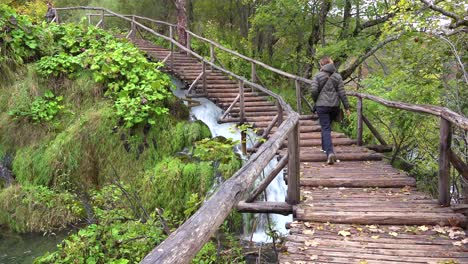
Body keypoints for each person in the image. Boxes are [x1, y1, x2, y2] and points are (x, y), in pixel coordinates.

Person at [310, 56, 350, 165]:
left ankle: (330, 152)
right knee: (327, 127)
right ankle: (324, 148)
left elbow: (313, 91)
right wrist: (347, 107)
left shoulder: (317, 76)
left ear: (322, 64)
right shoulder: (337, 76)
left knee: (325, 127)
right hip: (334, 106)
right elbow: (342, 93)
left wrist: (316, 100)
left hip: (322, 106)